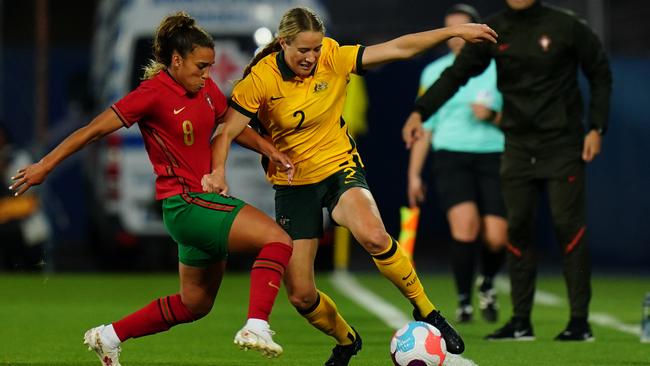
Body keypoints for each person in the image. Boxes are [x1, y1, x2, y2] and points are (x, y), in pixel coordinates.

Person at [202, 7, 498, 365]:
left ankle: (427, 311)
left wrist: (457, 31)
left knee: (374, 235)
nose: (312, 57)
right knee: (300, 294)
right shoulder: (260, 79)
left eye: (316, 49)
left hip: (338, 167)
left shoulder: (333, 56)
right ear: (283, 44)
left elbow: (400, 48)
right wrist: (218, 171)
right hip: (294, 185)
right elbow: (227, 131)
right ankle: (346, 340)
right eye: (303, 51)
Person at [10, 12, 295, 365]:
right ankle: (256, 324)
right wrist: (45, 165)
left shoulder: (205, 89)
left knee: (195, 304)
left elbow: (228, 124)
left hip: (196, 205)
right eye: (200, 66)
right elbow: (92, 131)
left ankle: (108, 336)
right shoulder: (151, 94)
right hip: (186, 204)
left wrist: (268, 148)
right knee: (278, 240)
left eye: (209, 66)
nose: (207, 74)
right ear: (176, 60)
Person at [403, 0, 612, 341]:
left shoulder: (566, 26)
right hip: (515, 146)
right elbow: (456, 74)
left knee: (567, 228)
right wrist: (420, 112)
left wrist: (597, 127)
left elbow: (600, 71)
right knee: (516, 231)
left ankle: (579, 321)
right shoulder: (494, 30)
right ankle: (520, 321)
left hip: (562, 145)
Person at [406, 4, 507, 324]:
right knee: (465, 228)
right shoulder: (434, 73)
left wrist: (492, 116)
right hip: (451, 156)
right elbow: (426, 127)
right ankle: (464, 300)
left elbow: (523, 118)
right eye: (450, 31)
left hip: (495, 154)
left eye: (462, 29)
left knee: (496, 236)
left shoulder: (496, 65)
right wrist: (413, 175)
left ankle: (487, 284)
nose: (456, 38)